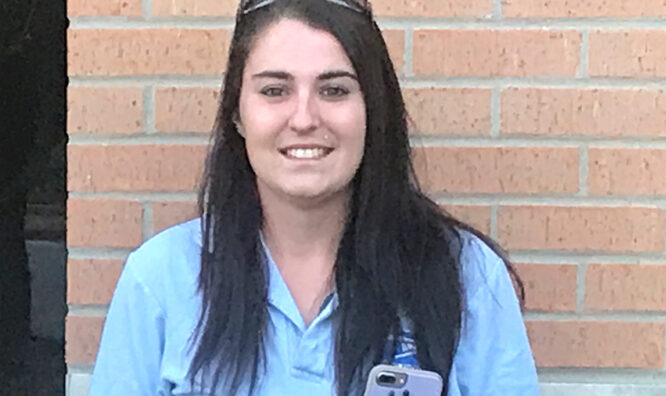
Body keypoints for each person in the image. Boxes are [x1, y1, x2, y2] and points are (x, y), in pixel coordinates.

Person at [89, 0, 540, 395]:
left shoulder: (468, 278)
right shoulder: (159, 280)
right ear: (237, 114)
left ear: (373, 110)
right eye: (274, 91)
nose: (304, 117)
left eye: (334, 90)